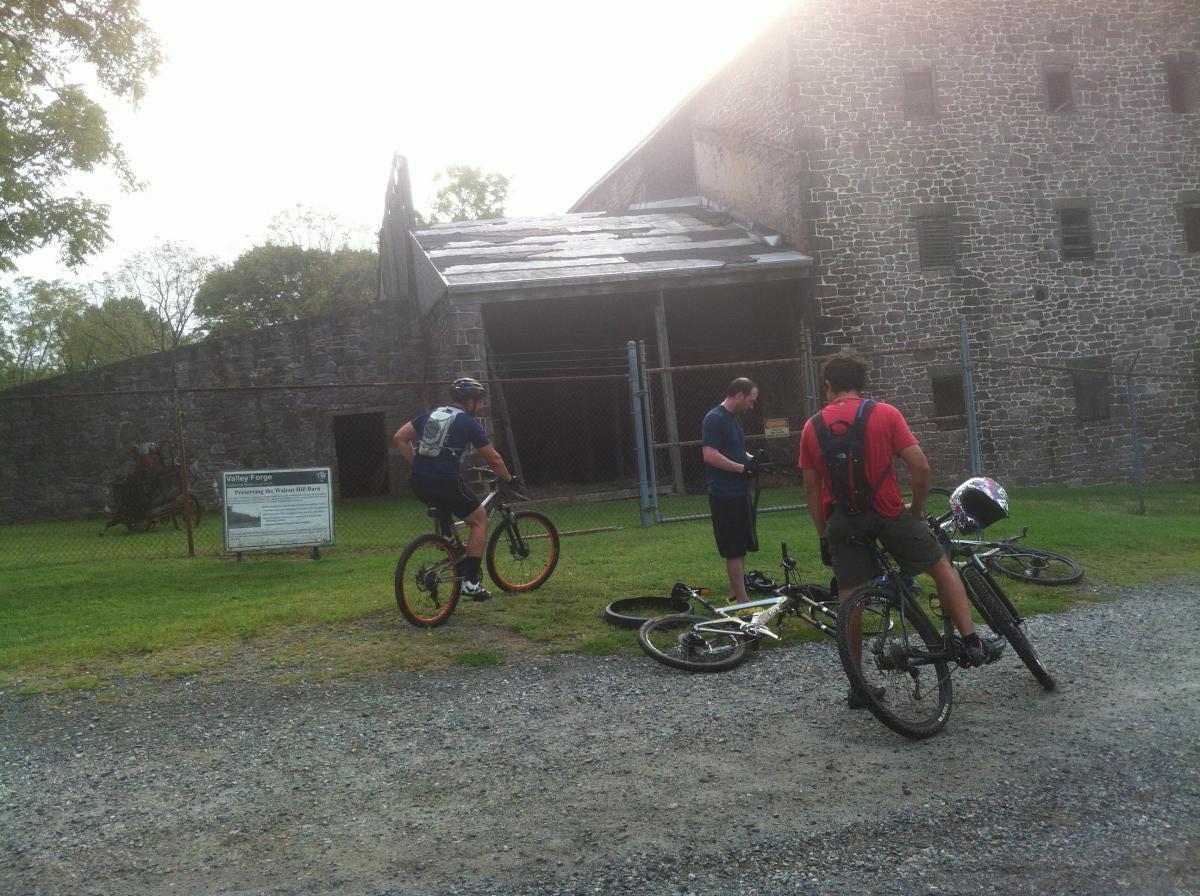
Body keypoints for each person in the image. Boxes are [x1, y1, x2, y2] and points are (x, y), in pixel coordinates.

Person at [797, 354, 1002, 709]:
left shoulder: (811, 427)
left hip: (843, 522)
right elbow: (920, 467)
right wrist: (917, 509)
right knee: (941, 567)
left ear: (826, 386)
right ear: (861, 384)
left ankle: (858, 685)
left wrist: (824, 533)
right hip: (889, 512)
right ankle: (970, 642)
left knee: (851, 599)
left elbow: (812, 491)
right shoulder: (885, 414)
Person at [393, 377, 514, 601]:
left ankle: (449, 544)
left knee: (447, 512)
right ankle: (471, 582)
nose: (479, 407)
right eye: (478, 402)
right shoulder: (469, 423)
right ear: (469, 402)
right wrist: (508, 477)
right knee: (479, 521)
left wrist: (416, 465)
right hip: (445, 481)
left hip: (420, 482)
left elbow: (400, 437)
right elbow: (494, 459)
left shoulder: (432, 414)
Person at [701, 377, 769, 605]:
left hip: (739, 491)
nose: (752, 405)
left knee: (741, 545)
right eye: (750, 400)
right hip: (724, 493)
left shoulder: (734, 419)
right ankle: (742, 601)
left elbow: (737, 452)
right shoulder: (714, 418)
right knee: (734, 548)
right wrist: (742, 469)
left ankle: (734, 594)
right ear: (739, 395)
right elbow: (710, 454)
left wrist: (754, 462)